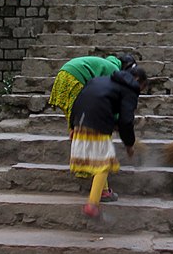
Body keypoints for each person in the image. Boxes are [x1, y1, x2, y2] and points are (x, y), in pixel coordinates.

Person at [49, 53, 137, 202]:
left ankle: (100, 185)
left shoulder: (104, 65)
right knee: (98, 137)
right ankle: (102, 189)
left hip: (64, 79)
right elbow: (107, 99)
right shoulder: (113, 71)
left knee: (81, 129)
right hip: (75, 81)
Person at [70, 65, 148, 218]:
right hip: (98, 123)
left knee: (99, 159)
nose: (140, 91)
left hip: (80, 120)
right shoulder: (130, 88)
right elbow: (126, 120)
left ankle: (104, 191)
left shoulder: (100, 80)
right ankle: (92, 204)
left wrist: (72, 125)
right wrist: (129, 145)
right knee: (104, 164)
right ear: (138, 80)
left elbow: (78, 100)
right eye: (143, 87)